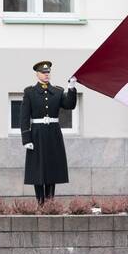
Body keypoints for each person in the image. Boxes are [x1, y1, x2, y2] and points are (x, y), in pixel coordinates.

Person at [19, 60, 76, 204]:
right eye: (43, 73)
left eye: (48, 72)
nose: (46, 75)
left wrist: (71, 87)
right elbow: (24, 117)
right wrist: (26, 139)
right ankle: (40, 202)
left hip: (53, 134)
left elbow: (69, 105)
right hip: (37, 134)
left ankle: (50, 202)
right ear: (37, 74)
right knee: (37, 169)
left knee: (52, 168)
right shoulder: (30, 92)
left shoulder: (57, 91)